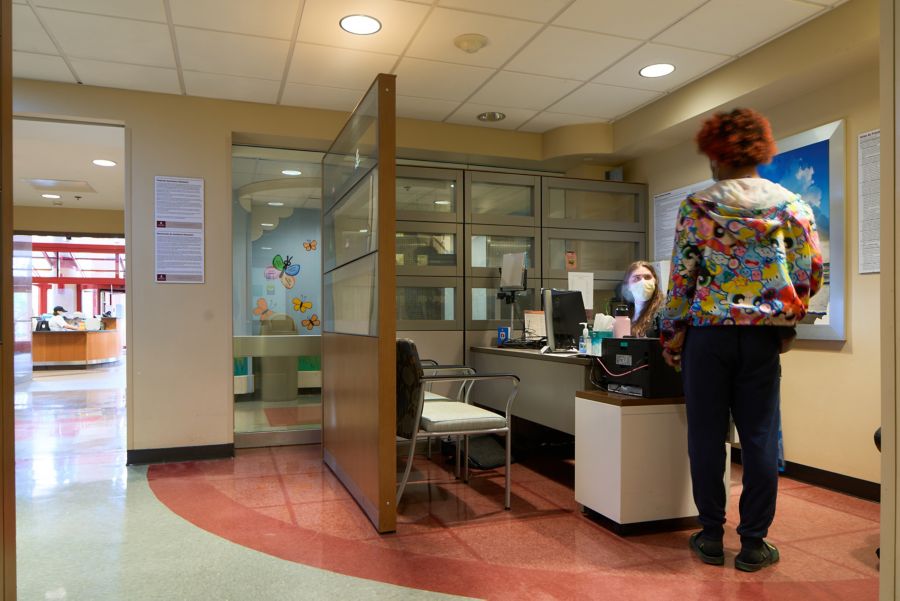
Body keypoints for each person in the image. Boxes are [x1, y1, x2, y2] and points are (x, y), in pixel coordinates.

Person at [659, 108, 823, 572]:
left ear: (716, 153)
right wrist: (786, 321)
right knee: (759, 438)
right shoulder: (791, 205)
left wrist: (672, 339)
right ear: (758, 151)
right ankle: (753, 543)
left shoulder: (698, 207)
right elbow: (811, 272)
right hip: (760, 342)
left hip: (707, 338)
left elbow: (681, 283)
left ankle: (711, 535)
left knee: (706, 438)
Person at [617, 260, 663, 337]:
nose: (643, 282)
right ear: (628, 285)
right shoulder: (625, 314)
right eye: (637, 278)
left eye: (647, 277)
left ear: (655, 281)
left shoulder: (662, 313)